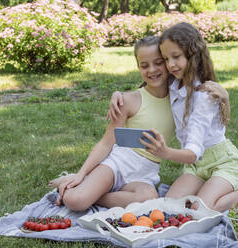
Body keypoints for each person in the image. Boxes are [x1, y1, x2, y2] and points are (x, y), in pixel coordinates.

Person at [108, 22, 238, 212]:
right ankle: (210, 188)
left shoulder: (204, 96)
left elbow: (192, 152)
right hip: (196, 167)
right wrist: (119, 94)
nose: (170, 65)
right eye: (166, 58)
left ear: (193, 55)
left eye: (176, 57)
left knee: (198, 210)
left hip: (222, 162)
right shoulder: (175, 83)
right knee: (170, 206)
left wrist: (165, 152)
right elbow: (149, 87)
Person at [48, 36, 176, 211]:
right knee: (75, 201)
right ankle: (81, 184)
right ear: (138, 67)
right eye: (144, 65)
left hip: (146, 174)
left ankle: (92, 191)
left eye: (158, 63)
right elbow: (107, 142)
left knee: (149, 199)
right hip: (117, 165)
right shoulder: (129, 100)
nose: (152, 70)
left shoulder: (179, 99)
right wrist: (81, 173)